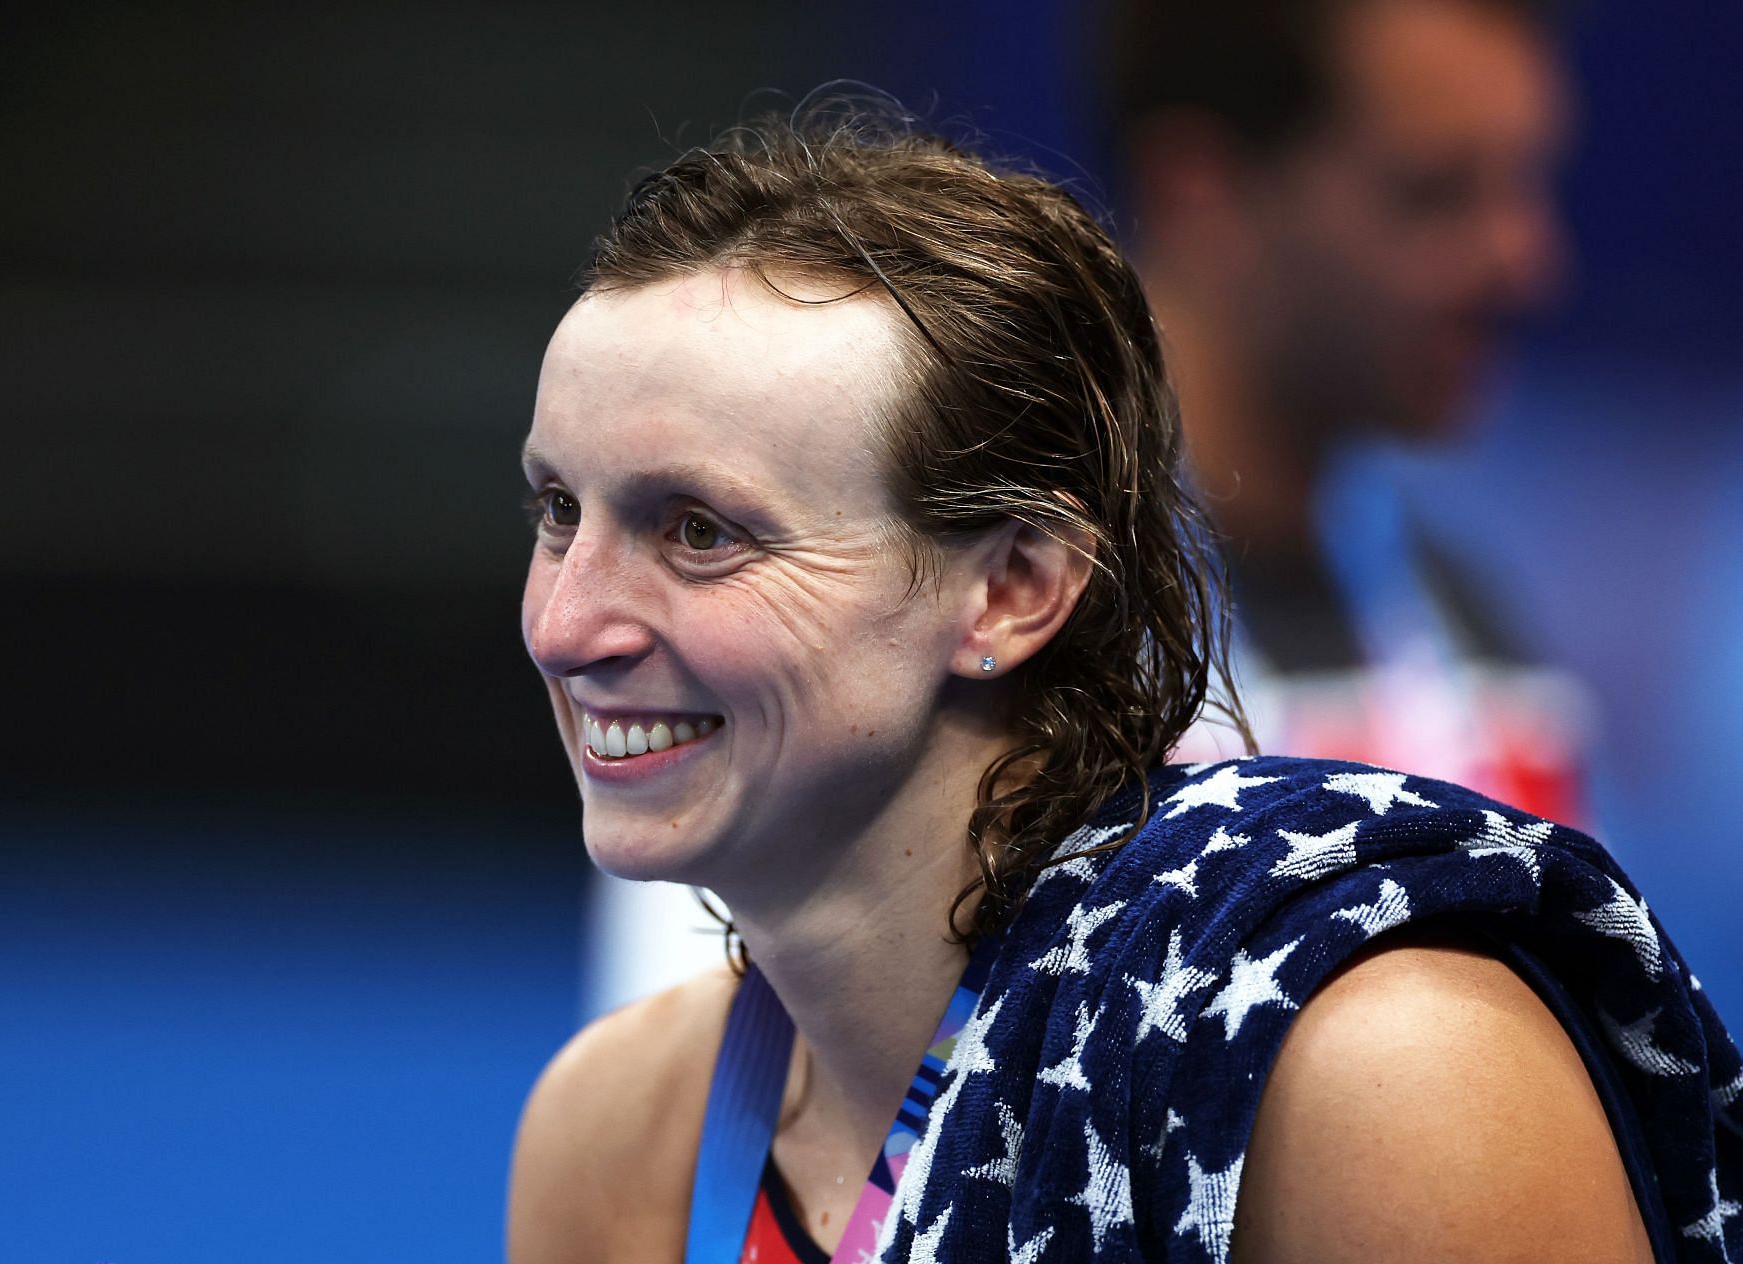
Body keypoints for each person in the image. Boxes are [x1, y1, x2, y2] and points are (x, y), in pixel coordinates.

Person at [506, 103, 1739, 1263]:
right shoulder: (618, 1139)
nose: (568, 624)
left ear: (1013, 585)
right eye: (561, 510)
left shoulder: (1382, 1071)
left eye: (701, 532)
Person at [1107, 0, 1590, 821]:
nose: (1527, 262)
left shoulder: (1478, 636)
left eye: (1522, 183)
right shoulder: (1024, 643)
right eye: (1435, 193)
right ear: (1198, 195)